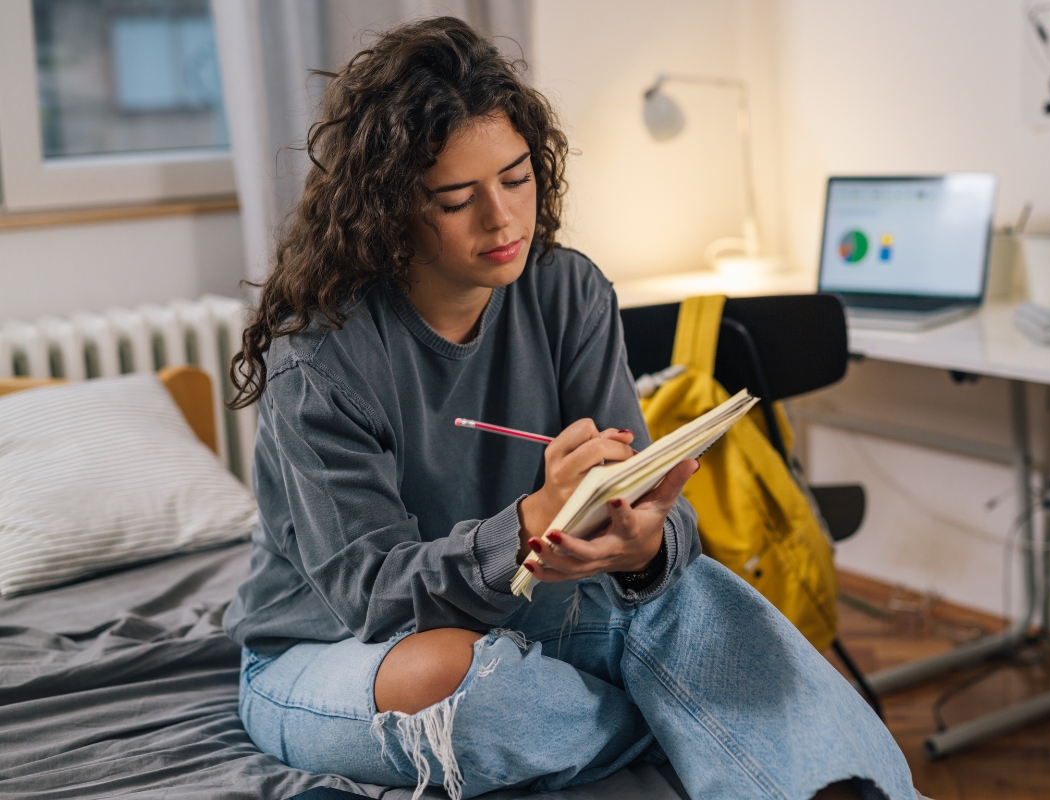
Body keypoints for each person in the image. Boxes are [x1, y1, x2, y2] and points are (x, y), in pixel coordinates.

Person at [222, 16, 918, 800]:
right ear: (388, 208)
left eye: (516, 179)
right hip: (336, 648)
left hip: (532, 617)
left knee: (703, 593)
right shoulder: (322, 353)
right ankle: (712, 739)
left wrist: (643, 543)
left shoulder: (568, 291)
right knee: (457, 688)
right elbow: (370, 597)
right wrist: (526, 523)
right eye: (457, 199)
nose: (503, 219)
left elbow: (652, 504)